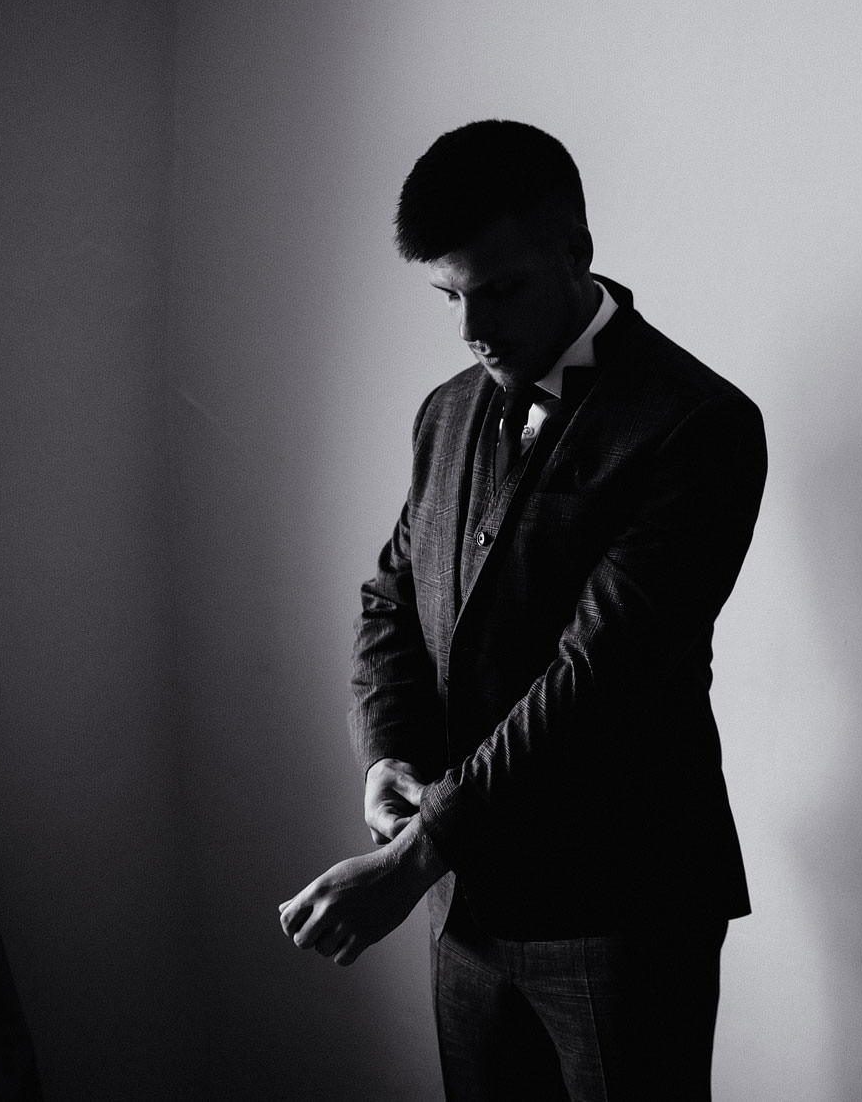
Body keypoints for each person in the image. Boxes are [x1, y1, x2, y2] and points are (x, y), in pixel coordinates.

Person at [278, 120, 766, 1100]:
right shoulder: (445, 410)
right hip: (464, 910)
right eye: (449, 297)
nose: (472, 330)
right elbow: (391, 599)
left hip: (623, 906)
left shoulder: (698, 424)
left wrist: (418, 851)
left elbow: (599, 674)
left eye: (498, 290)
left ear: (575, 251)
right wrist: (388, 754)